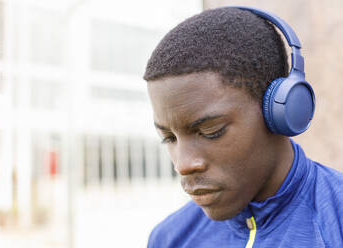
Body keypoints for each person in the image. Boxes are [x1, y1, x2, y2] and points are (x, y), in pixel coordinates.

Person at [143, 6, 343, 248]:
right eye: (169, 138)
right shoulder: (170, 238)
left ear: (279, 113)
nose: (183, 165)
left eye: (210, 131)